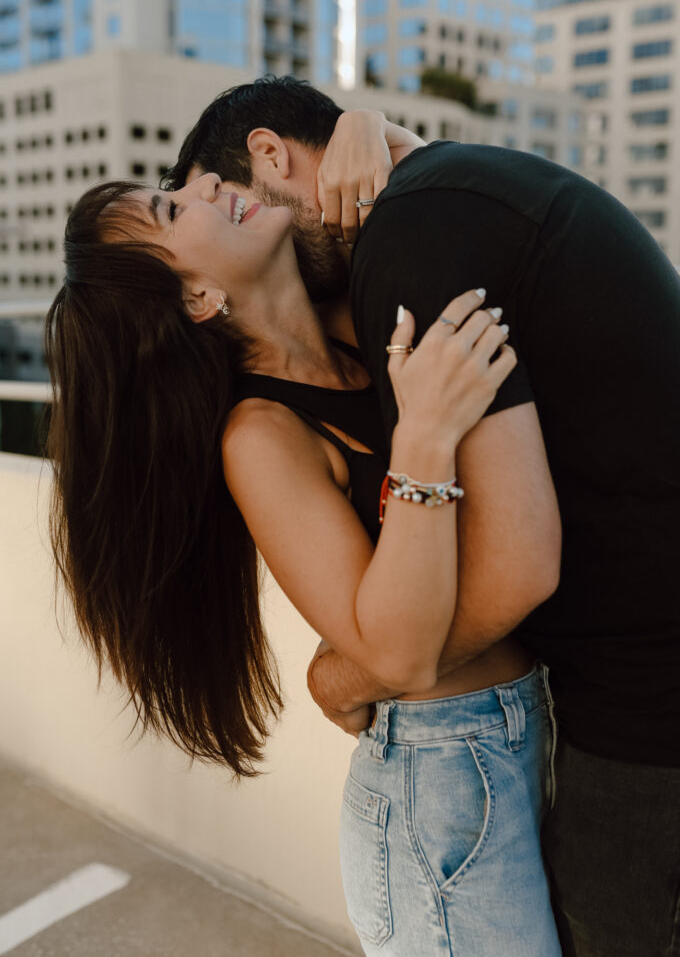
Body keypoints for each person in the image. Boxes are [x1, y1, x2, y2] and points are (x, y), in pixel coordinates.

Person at [165, 75, 680, 957]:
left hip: (628, 701)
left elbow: (512, 566)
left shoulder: (405, 248)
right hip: (514, 742)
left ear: (267, 154)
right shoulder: (392, 268)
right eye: (179, 210)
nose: (212, 200)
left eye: (220, 188)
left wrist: (347, 678)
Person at [46, 172, 562, 956]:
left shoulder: (361, 339)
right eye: (173, 208)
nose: (207, 183)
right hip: (442, 783)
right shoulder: (260, 437)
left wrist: (363, 125)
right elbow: (400, 652)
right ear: (194, 300)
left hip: (525, 734)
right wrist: (423, 440)